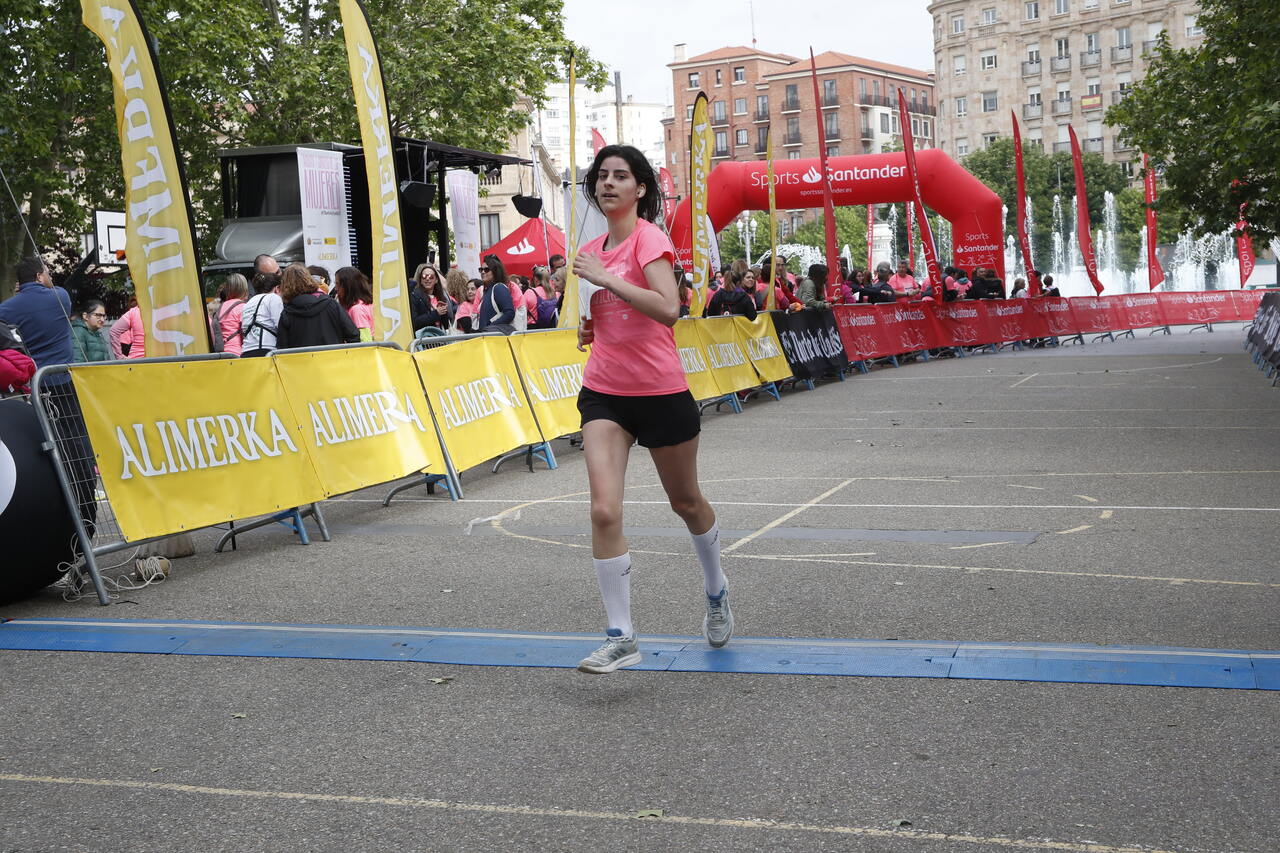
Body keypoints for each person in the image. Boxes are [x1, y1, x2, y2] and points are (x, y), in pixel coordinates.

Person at [570, 144, 731, 674]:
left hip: (660, 393)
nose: (608, 183)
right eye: (602, 176)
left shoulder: (649, 239)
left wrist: (608, 280)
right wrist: (589, 326)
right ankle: (621, 635)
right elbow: (604, 317)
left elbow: (668, 310)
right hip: (605, 394)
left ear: (640, 188)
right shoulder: (591, 248)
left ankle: (715, 589)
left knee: (685, 503)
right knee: (603, 509)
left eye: (621, 176)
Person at [0, 257, 75, 372]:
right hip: (63, 377)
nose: (50, 278)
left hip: (31, 378)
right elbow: (54, 289)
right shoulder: (62, 297)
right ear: (39, 277)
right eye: (48, 274)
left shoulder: (5, 308)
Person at [275, 263, 360, 349]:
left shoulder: (287, 313)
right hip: (333, 360)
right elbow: (353, 335)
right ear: (309, 279)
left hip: (302, 361)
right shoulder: (331, 304)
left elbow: (282, 348)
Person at [241, 271, 284, 357]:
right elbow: (280, 324)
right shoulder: (273, 297)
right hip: (266, 350)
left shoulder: (249, 302)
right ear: (277, 288)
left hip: (246, 351)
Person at [210, 273, 249, 355]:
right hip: (238, 354)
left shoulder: (221, 306)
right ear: (244, 289)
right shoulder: (244, 307)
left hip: (223, 353)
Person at [333, 266, 374, 340]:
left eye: (338, 284)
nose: (336, 288)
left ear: (348, 286)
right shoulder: (368, 304)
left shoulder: (356, 310)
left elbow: (365, 340)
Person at [476, 254, 515, 333]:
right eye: (481, 269)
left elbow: (510, 313)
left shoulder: (499, 288)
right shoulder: (487, 290)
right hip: (488, 338)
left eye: (486, 269)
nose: (483, 272)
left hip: (495, 339)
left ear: (495, 271)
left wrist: (490, 328)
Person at [410, 262, 451, 332]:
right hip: (425, 339)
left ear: (436, 280)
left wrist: (444, 312)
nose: (427, 279)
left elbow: (446, 324)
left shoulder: (441, 297)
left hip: (440, 337)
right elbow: (415, 322)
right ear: (421, 280)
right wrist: (436, 313)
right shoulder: (415, 296)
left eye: (431, 277)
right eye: (424, 276)